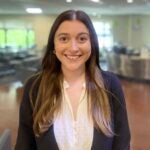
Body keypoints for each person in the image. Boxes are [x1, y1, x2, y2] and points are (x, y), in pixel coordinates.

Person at [15, 10, 130, 150]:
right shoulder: (34, 87)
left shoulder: (111, 85)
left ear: (91, 44)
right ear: (53, 46)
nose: (73, 48)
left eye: (82, 39)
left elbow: (122, 144)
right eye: (64, 39)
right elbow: (24, 144)